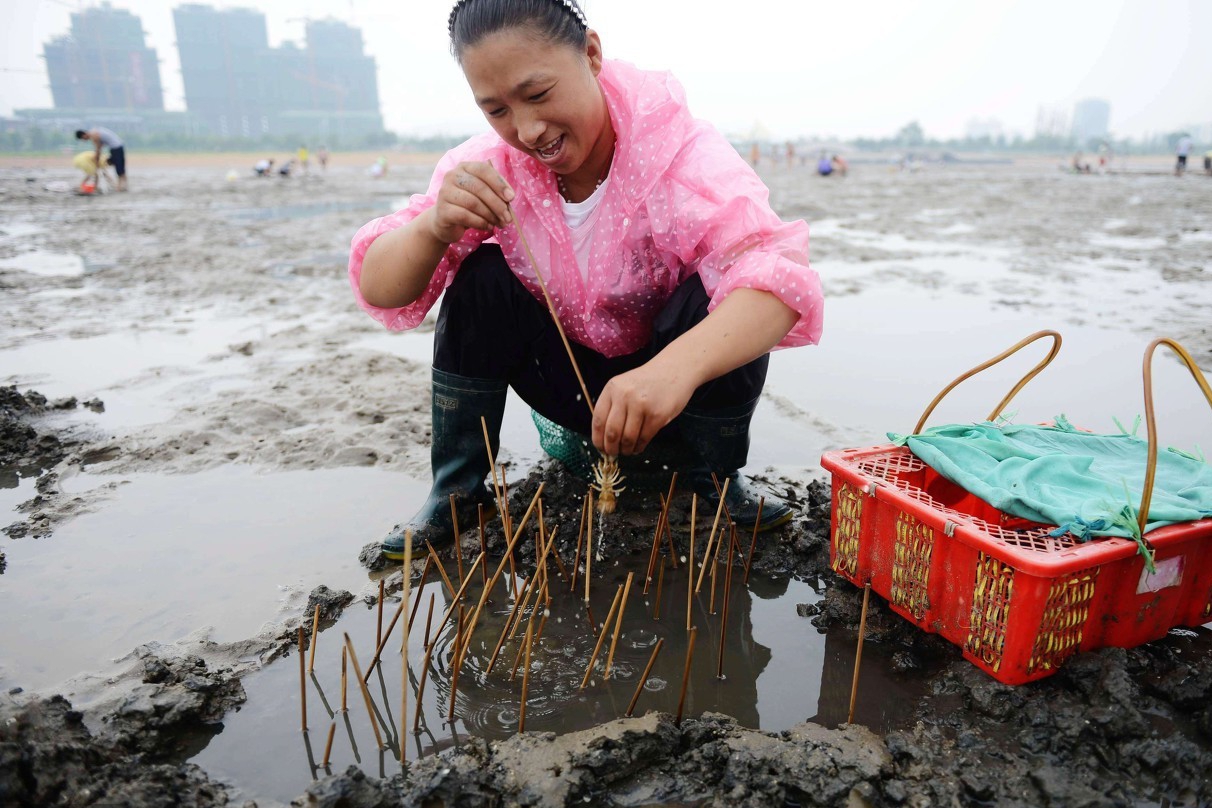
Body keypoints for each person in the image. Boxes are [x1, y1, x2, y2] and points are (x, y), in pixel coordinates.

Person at [349, 0, 823, 559]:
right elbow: (382, 288)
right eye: (496, 109)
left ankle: (713, 483)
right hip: (572, 389)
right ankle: (457, 491)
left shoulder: (681, 156)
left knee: (724, 290)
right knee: (482, 274)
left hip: (677, 397)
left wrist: (670, 372)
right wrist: (432, 226)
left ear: (591, 54)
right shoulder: (490, 167)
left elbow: (781, 284)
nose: (527, 130)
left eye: (538, 94)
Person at [75, 127, 126, 191]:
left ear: (84, 134)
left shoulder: (94, 135)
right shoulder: (94, 130)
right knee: (120, 166)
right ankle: (124, 185)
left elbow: (98, 150)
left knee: (118, 166)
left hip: (115, 147)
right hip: (120, 145)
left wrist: (96, 160)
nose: (85, 140)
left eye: (83, 139)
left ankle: (119, 187)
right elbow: (101, 146)